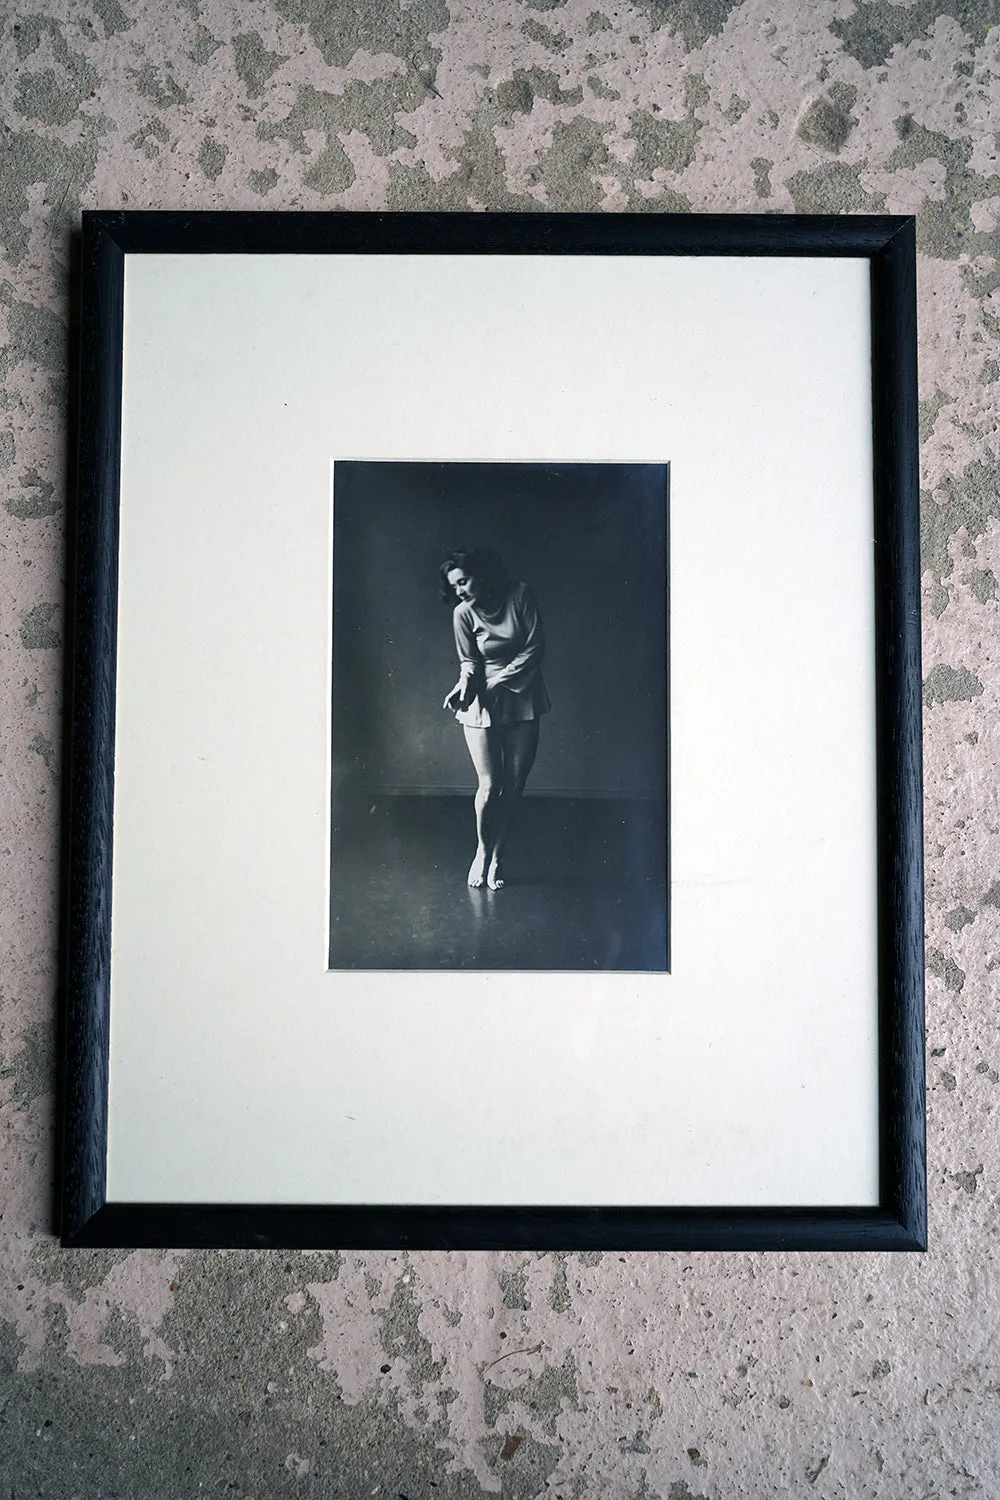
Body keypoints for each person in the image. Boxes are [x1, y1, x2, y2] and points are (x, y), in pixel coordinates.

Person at [441, 547, 550, 889]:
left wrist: (502, 680)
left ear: (482, 574)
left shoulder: (520, 594)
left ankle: (499, 857)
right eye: (454, 586)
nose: (459, 590)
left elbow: (535, 646)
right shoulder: (462, 613)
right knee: (490, 786)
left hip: (523, 693)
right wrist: (463, 686)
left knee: (515, 785)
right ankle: (482, 852)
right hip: (484, 697)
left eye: (464, 582)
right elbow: (469, 662)